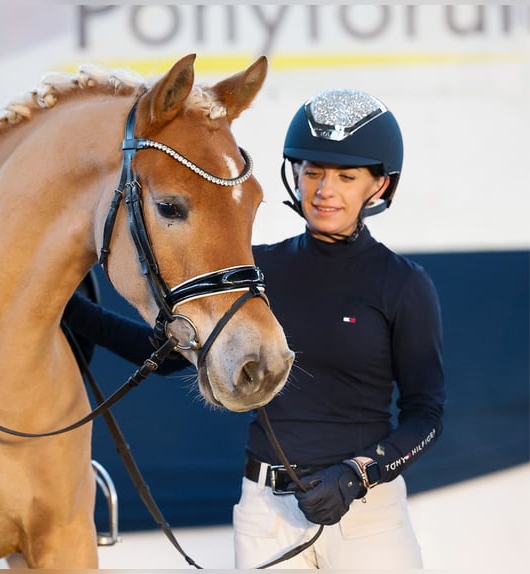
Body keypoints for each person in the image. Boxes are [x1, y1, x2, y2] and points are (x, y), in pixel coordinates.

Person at [62, 88, 445, 569]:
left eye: (346, 177)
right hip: (267, 513)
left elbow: (425, 414)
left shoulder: (404, 284)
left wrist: (357, 476)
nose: (324, 190)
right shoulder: (254, 271)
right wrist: (73, 312)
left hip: (369, 515)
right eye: (313, 173)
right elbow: (161, 354)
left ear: (379, 187)